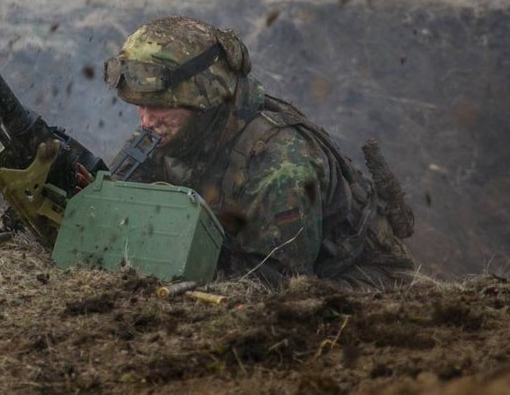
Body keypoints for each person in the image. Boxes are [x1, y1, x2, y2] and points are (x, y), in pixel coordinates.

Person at [103, 16, 416, 288]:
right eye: (140, 106)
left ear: (205, 100)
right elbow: (114, 212)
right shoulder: (171, 131)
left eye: (159, 106)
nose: (145, 120)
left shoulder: (280, 164)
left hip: (358, 283)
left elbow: (277, 286)